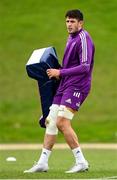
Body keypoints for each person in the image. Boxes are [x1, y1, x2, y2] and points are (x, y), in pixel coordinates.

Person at [24, 9, 95, 174]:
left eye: (72, 21)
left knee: (62, 122)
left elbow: (85, 67)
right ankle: (43, 163)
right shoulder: (70, 38)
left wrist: (60, 72)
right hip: (65, 84)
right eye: (67, 21)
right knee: (50, 120)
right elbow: (70, 65)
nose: (69, 24)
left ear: (80, 23)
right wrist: (57, 72)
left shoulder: (84, 39)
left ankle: (81, 161)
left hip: (78, 86)